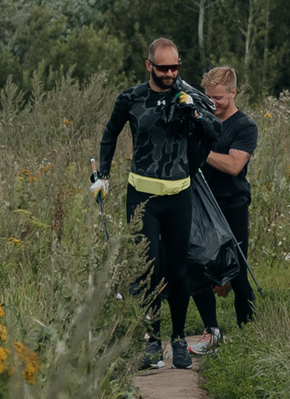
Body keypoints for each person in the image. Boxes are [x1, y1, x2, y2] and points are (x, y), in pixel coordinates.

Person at [93, 38, 219, 369]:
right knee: (147, 271)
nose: (170, 73)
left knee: (178, 272)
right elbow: (110, 133)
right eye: (163, 68)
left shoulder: (188, 94)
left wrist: (194, 112)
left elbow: (214, 130)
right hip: (142, 196)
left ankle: (177, 339)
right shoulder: (131, 98)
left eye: (175, 67)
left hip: (179, 195)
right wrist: (103, 175)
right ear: (149, 65)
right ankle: (152, 342)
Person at [188, 65, 258, 353]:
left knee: (237, 273)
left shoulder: (244, 126)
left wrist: (201, 151)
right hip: (201, 205)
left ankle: (250, 337)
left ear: (233, 92)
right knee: (197, 269)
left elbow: (233, 165)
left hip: (232, 204)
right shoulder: (201, 119)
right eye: (208, 97)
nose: (212, 103)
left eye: (218, 98)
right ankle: (212, 334)